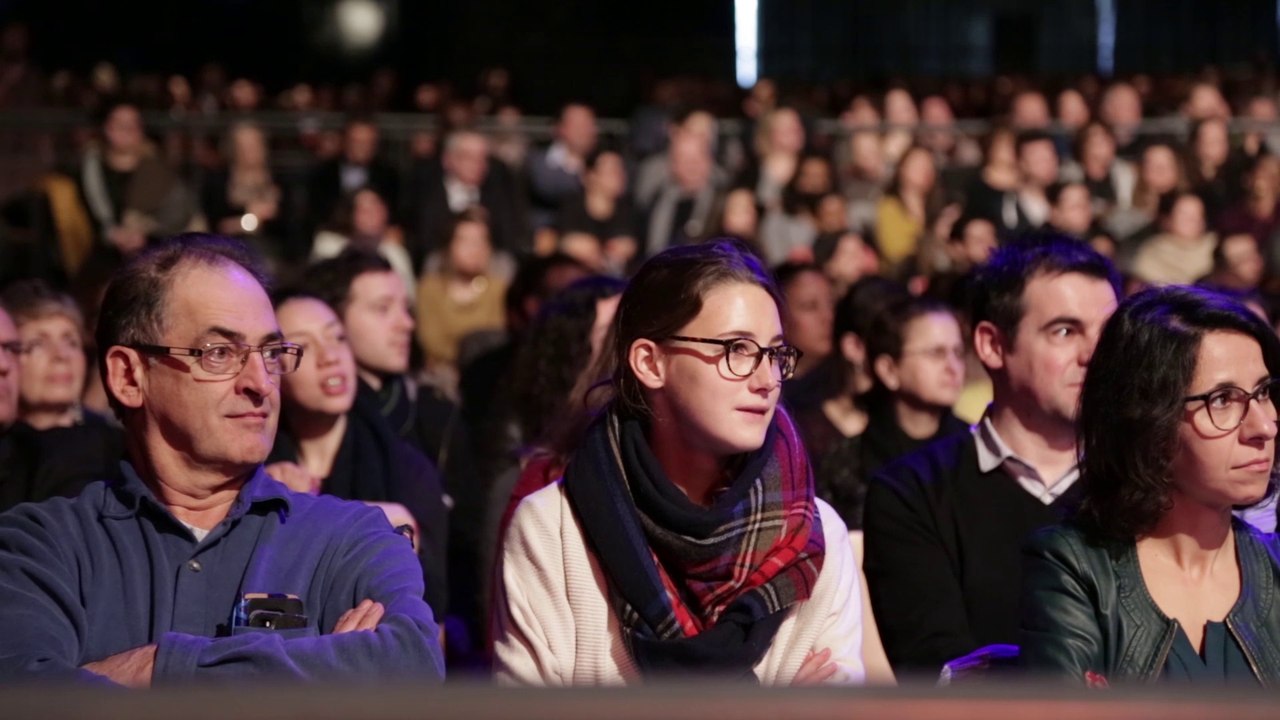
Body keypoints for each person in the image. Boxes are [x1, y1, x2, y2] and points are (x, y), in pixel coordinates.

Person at [0, 233, 443, 684]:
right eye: (219, 353)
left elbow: (409, 669)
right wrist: (320, 667)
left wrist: (152, 670)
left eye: (270, 353)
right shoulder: (41, 549)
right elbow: (24, 698)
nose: (261, 383)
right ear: (129, 375)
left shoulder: (352, 541)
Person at [493, 240, 871, 685]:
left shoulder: (815, 536)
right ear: (650, 363)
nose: (767, 380)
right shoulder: (552, 529)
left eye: (774, 353)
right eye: (737, 349)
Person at [864, 235, 1120, 677]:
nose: (1094, 355)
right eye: (1065, 331)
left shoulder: (1143, 483)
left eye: (1108, 332)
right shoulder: (913, 494)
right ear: (992, 345)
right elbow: (939, 676)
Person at [1021, 286, 1280, 685]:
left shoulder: (1273, 571)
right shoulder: (1075, 569)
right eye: (1224, 399)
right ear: (1148, 420)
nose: (1263, 426)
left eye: (1263, 392)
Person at [266, 291, 448, 618]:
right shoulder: (257, 471)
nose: (329, 356)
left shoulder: (403, 467)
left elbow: (432, 612)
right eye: (303, 346)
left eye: (337, 338)